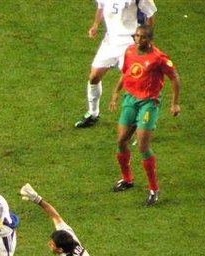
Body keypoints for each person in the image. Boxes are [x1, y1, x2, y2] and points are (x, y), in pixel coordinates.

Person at [109, 24, 181, 207]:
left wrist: (175, 103)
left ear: (150, 40)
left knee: (142, 146)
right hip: (130, 100)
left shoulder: (159, 58)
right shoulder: (130, 51)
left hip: (149, 102)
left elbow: (174, 77)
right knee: (121, 141)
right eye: (137, 36)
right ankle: (127, 179)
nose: (138, 40)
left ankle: (153, 189)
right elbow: (125, 73)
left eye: (143, 37)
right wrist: (116, 93)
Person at [75, 0, 157, 129]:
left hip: (129, 42)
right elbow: (101, 6)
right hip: (110, 41)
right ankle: (93, 113)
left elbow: (150, 14)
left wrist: (147, 40)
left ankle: (140, 122)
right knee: (94, 77)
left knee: (134, 82)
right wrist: (95, 24)